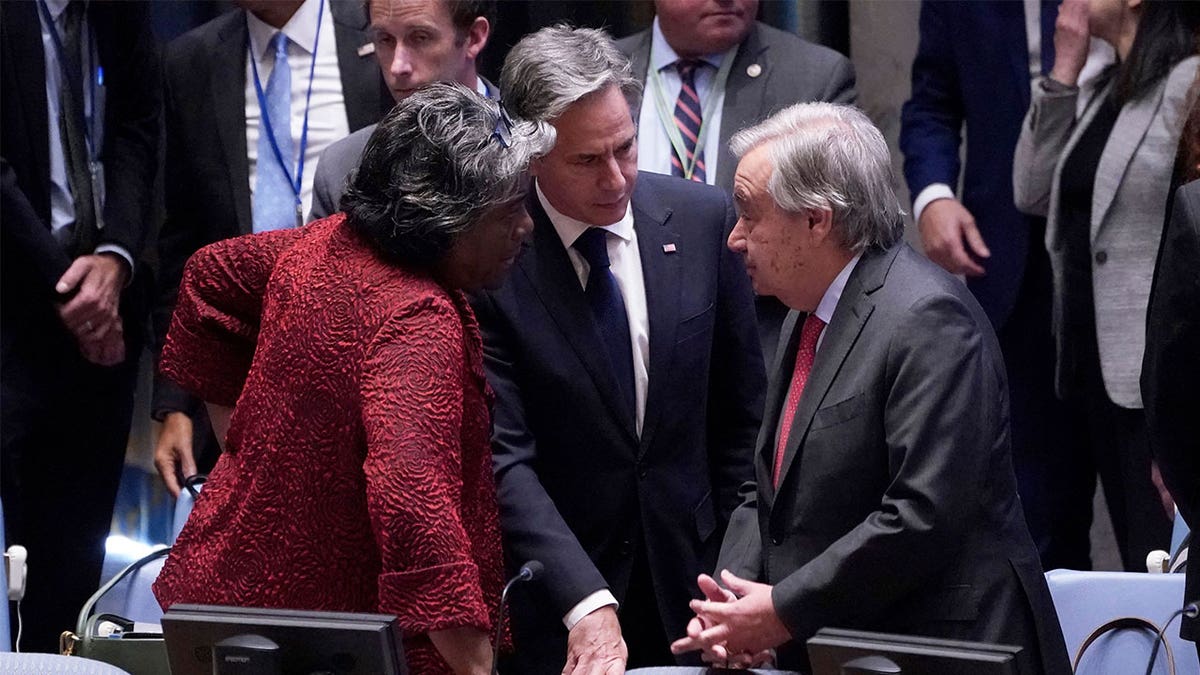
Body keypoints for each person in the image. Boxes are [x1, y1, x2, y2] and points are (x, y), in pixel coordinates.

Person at [152, 83, 555, 675]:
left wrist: (245, 450)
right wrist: (474, 665)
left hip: (221, 618)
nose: (527, 227)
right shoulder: (418, 316)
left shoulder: (321, 242)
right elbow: (412, 498)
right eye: (509, 210)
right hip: (337, 647)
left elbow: (209, 277)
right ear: (448, 219)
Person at [670, 102, 1071, 675]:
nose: (735, 238)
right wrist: (732, 607)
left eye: (750, 215)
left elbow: (920, 515)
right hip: (854, 642)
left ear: (817, 220)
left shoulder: (927, 317)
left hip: (954, 649)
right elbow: (766, 492)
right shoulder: (805, 315)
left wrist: (779, 612)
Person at [473, 25, 765, 674]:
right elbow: (504, 460)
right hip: (560, 601)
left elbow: (743, 428)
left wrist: (735, 578)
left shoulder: (702, 220)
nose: (616, 177)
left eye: (626, 147)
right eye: (586, 160)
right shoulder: (492, 260)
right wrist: (583, 599)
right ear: (529, 156)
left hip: (696, 588)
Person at [899, 0, 1119, 571]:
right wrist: (933, 196)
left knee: (1156, 510)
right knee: (1034, 520)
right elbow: (932, 102)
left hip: (1126, 261)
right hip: (1010, 268)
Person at [153, 0, 392, 498]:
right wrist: (175, 400)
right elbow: (183, 240)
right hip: (241, 380)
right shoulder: (190, 61)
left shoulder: (381, 39)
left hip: (366, 359)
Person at [1013, 0, 1200, 571]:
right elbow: (1030, 190)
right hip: (1087, 372)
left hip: (1157, 381)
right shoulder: (1103, 85)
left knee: (1161, 572)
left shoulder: (1190, 80)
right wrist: (1062, 73)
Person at [1, 1, 160, 652]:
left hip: (105, 323)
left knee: (71, 579)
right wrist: (70, 286)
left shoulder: (117, 10)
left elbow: (139, 124)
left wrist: (117, 257)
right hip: (13, 312)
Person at [618, 0, 855, 358]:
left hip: (764, 352)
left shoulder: (813, 78)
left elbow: (839, 241)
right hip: (626, 349)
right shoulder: (599, 73)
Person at [308, 0, 495, 222]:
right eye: (385, 39)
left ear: (473, 37)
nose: (398, 66)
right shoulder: (342, 169)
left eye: (420, 37)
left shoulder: (535, 143)